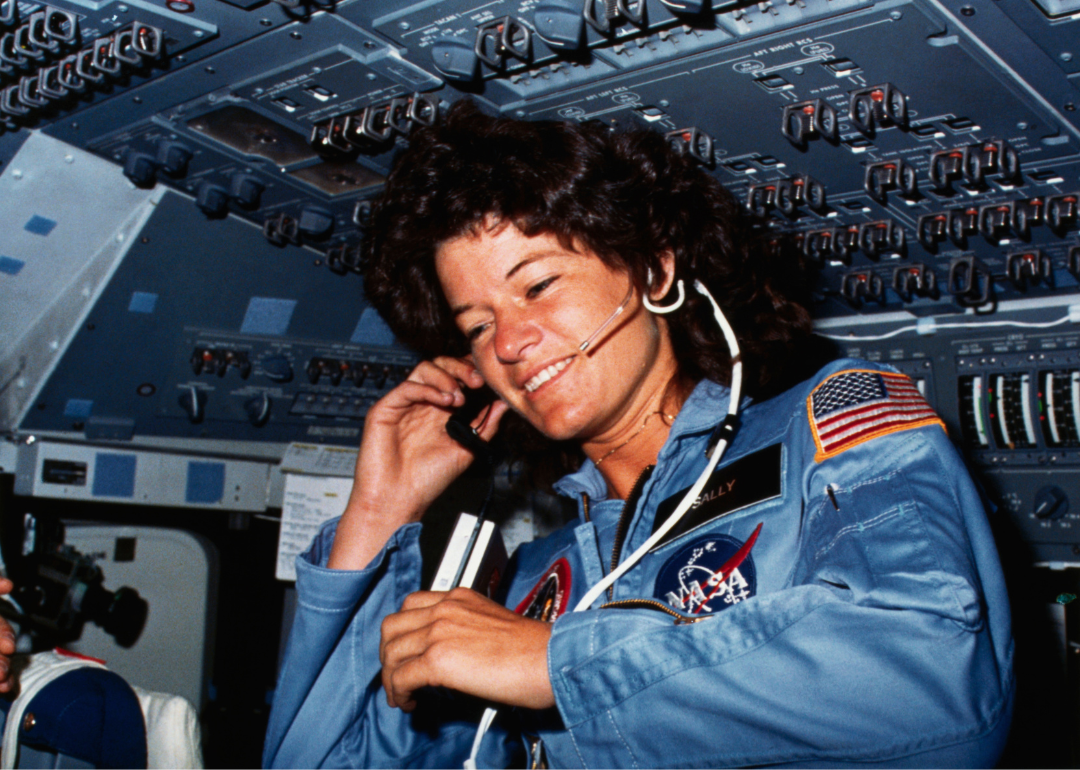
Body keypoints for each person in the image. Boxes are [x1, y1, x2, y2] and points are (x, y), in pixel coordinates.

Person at [263, 101, 1014, 768]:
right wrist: (377, 515)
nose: (511, 343)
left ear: (655, 272)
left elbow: (937, 681)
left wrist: (555, 666)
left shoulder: (830, 423)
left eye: (538, 286)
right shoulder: (527, 584)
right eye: (479, 326)